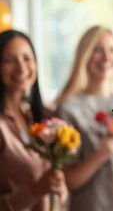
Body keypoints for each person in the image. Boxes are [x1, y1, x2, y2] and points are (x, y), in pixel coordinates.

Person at [54, 26, 113, 211]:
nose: (106, 58)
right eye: (97, 50)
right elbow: (68, 180)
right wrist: (100, 155)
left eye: (111, 50)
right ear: (84, 55)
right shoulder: (69, 108)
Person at [0, 30, 68, 211]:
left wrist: (59, 188)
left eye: (27, 58)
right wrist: (36, 190)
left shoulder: (35, 116)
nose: (22, 68)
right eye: (9, 60)